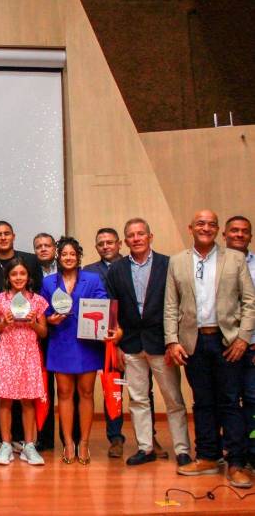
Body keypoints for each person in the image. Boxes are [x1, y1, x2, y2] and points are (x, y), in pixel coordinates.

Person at [165, 209, 255, 488]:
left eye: (212, 224)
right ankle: (207, 456)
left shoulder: (235, 259)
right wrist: (172, 340)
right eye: (201, 223)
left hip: (227, 341)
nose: (206, 227)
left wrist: (243, 338)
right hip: (193, 342)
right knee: (202, 402)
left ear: (218, 230)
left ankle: (237, 463)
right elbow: (171, 305)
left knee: (229, 402)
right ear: (190, 227)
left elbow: (249, 303)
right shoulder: (178, 261)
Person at [106, 218, 191, 468]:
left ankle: (183, 450)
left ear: (150, 236)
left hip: (162, 342)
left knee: (173, 399)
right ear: (125, 241)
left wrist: (172, 340)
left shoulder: (168, 264)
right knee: (138, 400)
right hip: (131, 344)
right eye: (131, 235)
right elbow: (113, 309)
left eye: (141, 234)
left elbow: (178, 303)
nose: (136, 238)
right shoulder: (117, 269)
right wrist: (118, 345)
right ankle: (146, 447)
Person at [0, 221, 45, 457]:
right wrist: (2, 322)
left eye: (7, 233)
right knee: (1, 394)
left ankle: (25, 441)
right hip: (3, 346)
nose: (3, 237)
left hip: (28, 347)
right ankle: (0, 439)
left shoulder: (32, 273)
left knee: (26, 396)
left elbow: (42, 323)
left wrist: (35, 320)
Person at [41, 236, 108, 465]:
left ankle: (85, 443)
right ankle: (69, 443)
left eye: (73, 254)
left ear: (78, 257)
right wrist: (51, 319)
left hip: (87, 343)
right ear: (58, 257)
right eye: (65, 254)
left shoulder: (93, 279)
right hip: (61, 342)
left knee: (87, 393)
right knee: (65, 394)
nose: (69, 257)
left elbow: (103, 305)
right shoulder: (49, 282)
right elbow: (43, 312)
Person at [0, 258, 49, 466]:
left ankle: (28, 446)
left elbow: (43, 332)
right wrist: (3, 322)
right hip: (7, 353)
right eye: (14, 274)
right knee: (4, 399)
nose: (18, 278)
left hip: (29, 354)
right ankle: (5, 444)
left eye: (22, 274)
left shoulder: (37, 300)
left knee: (28, 400)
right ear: (7, 277)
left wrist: (33, 323)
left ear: (28, 277)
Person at [82, 227, 129, 458]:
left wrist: (121, 334)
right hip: (97, 340)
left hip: (130, 338)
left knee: (140, 391)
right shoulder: (89, 272)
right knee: (109, 388)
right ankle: (115, 437)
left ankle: (149, 438)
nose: (106, 246)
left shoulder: (131, 265)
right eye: (101, 243)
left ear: (119, 243)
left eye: (110, 242)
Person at [224, 215, 255, 467]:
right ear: (224, 235)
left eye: (244, 231)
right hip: (224, 348)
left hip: (252, 346)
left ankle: (252, 451)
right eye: (234, 230)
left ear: (250, 237)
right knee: (228, 401)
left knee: (253, 400)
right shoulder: (214, 264)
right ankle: (234, 451)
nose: (239, 234)